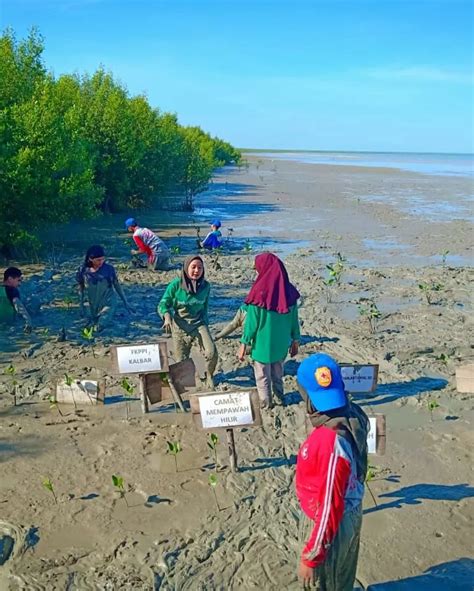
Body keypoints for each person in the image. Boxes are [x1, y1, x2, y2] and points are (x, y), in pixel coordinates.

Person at [295, 353, 369, 591]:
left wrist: (312, 555)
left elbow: (330, 504)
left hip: (333, 524)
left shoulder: (329, 441)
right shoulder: (352, 415)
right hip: (349, 510)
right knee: (343, 578)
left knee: (326, 584)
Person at [238, 252, 300, 408]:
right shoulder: (289, 292)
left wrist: (243, 344)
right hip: (280, 345)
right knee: (278, 373)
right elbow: (294, 320)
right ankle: (280, 397)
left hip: (262, 346)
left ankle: (266, 403)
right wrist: (296, 340)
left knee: (262, 376)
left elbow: (251, 324)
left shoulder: (258, 294)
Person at [158, 255, 217, 388]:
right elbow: (163, 304)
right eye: (193, 267)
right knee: (181, 361)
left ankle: (209, 376)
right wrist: (167, 317)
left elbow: (205, 309)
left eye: (200, 268)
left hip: (199, 324)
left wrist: (205, 330)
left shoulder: (206, 287)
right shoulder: (175, 285)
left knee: (211, 352)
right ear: (186, 268)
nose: (196, 271)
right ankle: (186, 386)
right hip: (180, 326)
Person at [76, 245, 133, 331]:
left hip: (108, 301)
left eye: (103, 259)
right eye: (98, 260)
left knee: (100, 325)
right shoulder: (83, 270)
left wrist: (126, 302)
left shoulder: (108, 269)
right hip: (91, 303)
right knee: (88, 322)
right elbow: (81, 289)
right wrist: (80, 305)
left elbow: (117, 285)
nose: (101, 262)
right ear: (91, 259)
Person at [1, 267, 33, 332]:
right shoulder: (12, 291)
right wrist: (28, 321)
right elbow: (17, 304)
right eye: (18, 280)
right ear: (10, 279)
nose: (19, 284)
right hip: (9, 327)